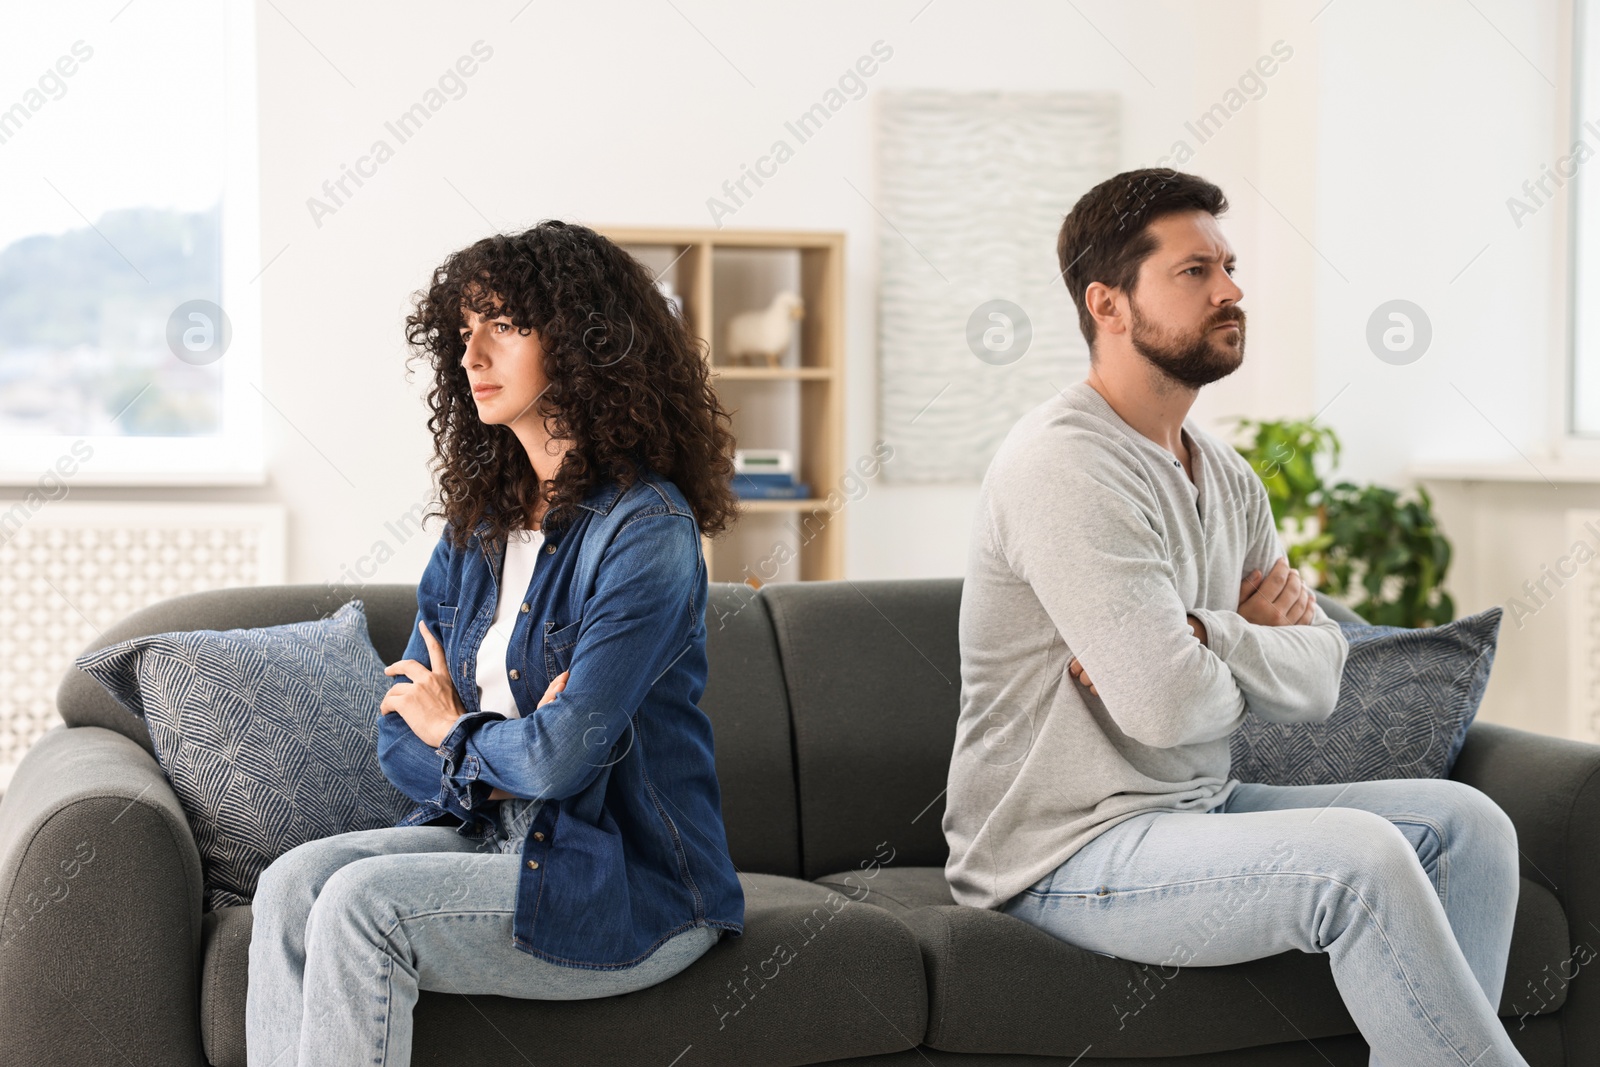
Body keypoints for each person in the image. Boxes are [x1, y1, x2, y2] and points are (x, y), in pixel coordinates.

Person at [943, 168, 1525, 1066]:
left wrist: (1209, 631)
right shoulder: (1065, 468)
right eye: (1194, 271)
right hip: (1062, 851)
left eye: (1229, 265)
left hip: (1197, 808)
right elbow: (1168, 710)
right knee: (1359, 862)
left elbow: (1323, 677)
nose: (1231, 290)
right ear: (1108, 303)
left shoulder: (1227, 473)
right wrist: (1239, 646)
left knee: (1471, 827)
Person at [246, 220, 746, 1067]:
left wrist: (460, 731)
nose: (471, 353)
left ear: (585, 343)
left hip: (627, 879)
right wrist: (491, 744)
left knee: (363, 903)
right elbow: (399, 733)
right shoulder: (477, 525)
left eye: (504, 325)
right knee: (290, 883)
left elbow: (556, 764)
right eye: (464, 329)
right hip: (486, 833)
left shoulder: (646, 531)